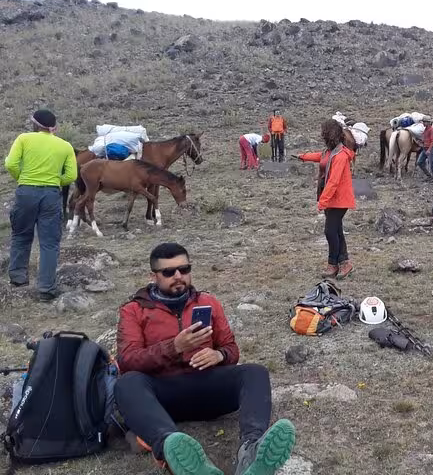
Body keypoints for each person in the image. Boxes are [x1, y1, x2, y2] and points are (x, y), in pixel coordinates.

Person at [114, 242, 296, 475]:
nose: (178, 276)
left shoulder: (207, 302)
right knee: (127, 383)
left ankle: (251, 451)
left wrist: (218, 355)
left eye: (184, 269)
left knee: (255, 372)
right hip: (161, 398)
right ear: (154, 276)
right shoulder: (134, 310)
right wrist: (174, 347)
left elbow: (231, 349)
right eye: (168, 272)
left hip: (205, 387)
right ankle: (173, 452)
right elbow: (128, 360)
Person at [4, 109, 77, 301]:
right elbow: (71, 176)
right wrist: (54, 181)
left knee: (21, 236)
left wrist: (23, 179)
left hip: (26, 191)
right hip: (51, 195)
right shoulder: (65, 146)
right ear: (53, 127)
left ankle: (18, 279)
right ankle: (46, 289)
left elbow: (11, 164)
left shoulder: (23, 139)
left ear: (35, 124)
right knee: (49, 243)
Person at [298, 120, 356, 279]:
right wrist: (303, 157)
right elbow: (320, 157)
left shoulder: (341, 155)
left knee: (330, 231)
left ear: (329, 135)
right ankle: (344, 263)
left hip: (339, 200)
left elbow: (334, 182)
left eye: (324, 133)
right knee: (336, 231)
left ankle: (333, 264)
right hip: (331, 199)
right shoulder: (330, 152)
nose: (322, 136)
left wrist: (322, 201)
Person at [416, 115, 433, 183]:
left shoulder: (432, 130)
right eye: (423, 122)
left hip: (430, 149)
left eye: (424, 122)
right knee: (419, 162)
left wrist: (429, 150)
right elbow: (426, 139)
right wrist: (421, 141)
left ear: (428, 122)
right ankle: (429, 176)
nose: (423, 123)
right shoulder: (425, 130)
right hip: (425, 148)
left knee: (432, 164)